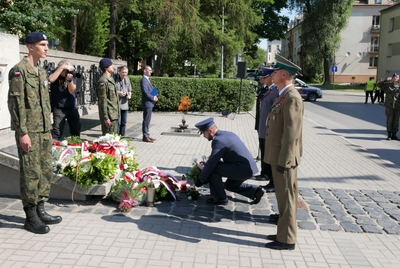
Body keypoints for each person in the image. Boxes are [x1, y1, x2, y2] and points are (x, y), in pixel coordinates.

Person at [7, 32, 62, 234]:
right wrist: (22, 133)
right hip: (28, 131)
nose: (46, 48)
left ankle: (41, 209)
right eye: (42, 44)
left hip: (43, 131)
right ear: (30, 47)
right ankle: (30, 217)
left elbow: (45, 103)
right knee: (31, 173)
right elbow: (16, 105)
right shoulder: (19, 71)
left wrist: (48, 129)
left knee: (45, 170)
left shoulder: (40, 70)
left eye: (47, 44)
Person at [264, 55, 303, 250]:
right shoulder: (283, 95)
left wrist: (286, 158)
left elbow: (291, 132)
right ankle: (283, 231)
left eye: (276, 72)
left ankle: (287, 239)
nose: (273, 74)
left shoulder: (292, 97)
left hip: (284, 158)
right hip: (277, 155)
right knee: (282, 196)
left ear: (284, 74)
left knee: (287, 197)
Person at [194, 118, 264, 205]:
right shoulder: (228, 134)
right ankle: (255, 191)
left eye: (204, 133)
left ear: (210, 131)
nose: (204, 136)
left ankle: (220, 197)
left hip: (242, 169)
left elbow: (212, 163)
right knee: (229, 185)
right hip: (248, 168)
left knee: (213, 168)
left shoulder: (218, 140)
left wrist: (201, 179)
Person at [256, 68, 279, 192]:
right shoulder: (267, 90)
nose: (261, 80)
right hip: (263, 127)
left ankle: (270, 178)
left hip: (269, 128)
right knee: (264, 152)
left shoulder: (275, 91)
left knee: (269, 154)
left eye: (264, 78)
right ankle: (266, 174)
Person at [48, 60, 81, 140]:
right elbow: (51, 79)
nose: (67, 72)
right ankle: (53, 149)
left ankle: (76, 148)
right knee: (57, 132)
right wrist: (63, 67)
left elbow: (71, 91)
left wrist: (69, 80)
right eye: (65, 71)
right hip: (59, 107)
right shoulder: (55, 73)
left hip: (72, 107)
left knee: (76, 131)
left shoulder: (72, 75)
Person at [96, 58, 120, 135]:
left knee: (113, 139)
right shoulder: (103, 81)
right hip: (109, 116)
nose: (113, 67)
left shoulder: (111, 79)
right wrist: (105, 118)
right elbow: (102, 100)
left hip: (114, 115)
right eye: (111, 65)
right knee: (107, 140)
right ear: (106, 67)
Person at [377, 73, 400, 140]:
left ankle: (394, 134)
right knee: (389, 120)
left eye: (397, 77)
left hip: (397, 106)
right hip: (389, 106)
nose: (395, 78)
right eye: (394, 77)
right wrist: (385, 80)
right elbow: (378, 85)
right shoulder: (388, 85)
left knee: (396, 121)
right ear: (392, 78)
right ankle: (389, 134)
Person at [141, 65, 158, 142]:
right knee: (146, 120)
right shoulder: (144, 80)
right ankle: (145, 136)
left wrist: (155, 95)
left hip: (150, 103)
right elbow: (145, 92)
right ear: (145, 71)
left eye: (151, 70)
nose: (151, 72)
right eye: (149, 70)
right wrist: (153, 98)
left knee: (148, 120)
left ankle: (147, 134)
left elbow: (150, 90)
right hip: (147, 103)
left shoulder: (147, 79)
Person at [114, 66, 132, 136]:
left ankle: (122, 136)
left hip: (125, 104)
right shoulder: (114, 79)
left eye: (126, 72)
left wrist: (129, 95)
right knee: (118, 122)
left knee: (124, 122)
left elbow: (130, 90)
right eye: (123, 72)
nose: (125, 74)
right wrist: (119, 93)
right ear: (119, 72)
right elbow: (111, 90)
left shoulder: (127, 79)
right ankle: (117, 136)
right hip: (117, 104)